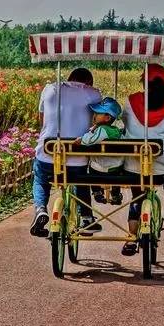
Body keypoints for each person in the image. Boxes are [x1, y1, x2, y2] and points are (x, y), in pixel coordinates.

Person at [120, 63, 164, 256]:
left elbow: (125, 123)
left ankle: (131, 238)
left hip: (135, 163)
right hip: (162, 164)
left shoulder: (131, 101)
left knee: (137, 197)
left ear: (144, 82)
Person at [30, 67, 102, 237]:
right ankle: (86, 217)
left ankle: (41, 208)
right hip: (76, 157)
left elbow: (42, 121)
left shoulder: (49, 89)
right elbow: (98, 122)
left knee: (41, 179)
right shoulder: (93, 94)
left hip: (49, 152)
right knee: (80, 179)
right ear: (89, 83)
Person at [73, 97, 124, 205]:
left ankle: (97, 192)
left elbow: (91, 140)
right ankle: (115, 194)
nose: (94, 115)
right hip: (116, 169)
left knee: (91, 166)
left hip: (99, 169)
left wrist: (82, 138)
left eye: (98, 113)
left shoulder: (102, 130)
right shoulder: (116, 131)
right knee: (117, 172)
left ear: (107, 117)